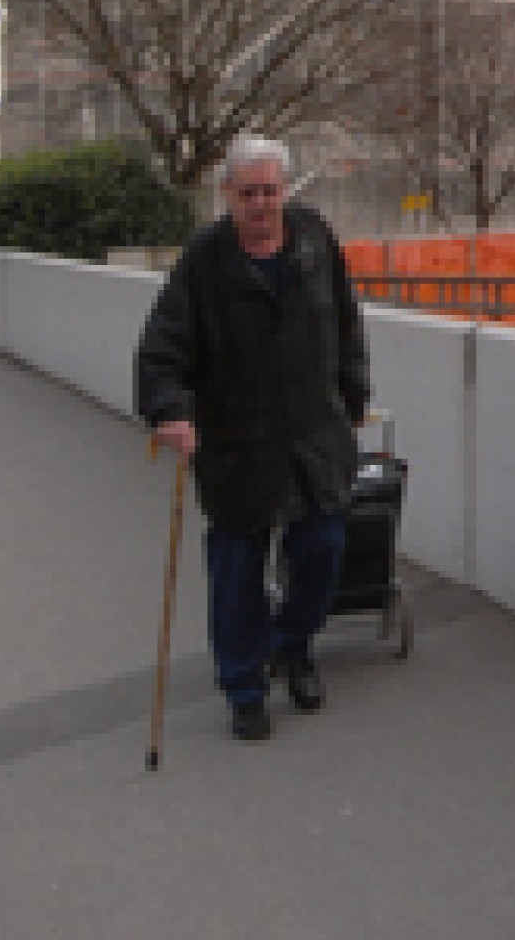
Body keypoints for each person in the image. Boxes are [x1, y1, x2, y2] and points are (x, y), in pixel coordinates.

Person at [135, 135, 369, 742]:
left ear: (285, 191)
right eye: (248, 194)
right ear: (228, 196)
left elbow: (347, 320)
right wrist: (170, 410)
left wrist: (354, 395)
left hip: (314, 434)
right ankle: (243, 685)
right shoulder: (205, 261)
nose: (261, 204)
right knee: (238, 569)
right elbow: (162, 349)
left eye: (270, 191)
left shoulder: (314, 238)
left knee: (322, 549)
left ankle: (293, 647)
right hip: (239, 440)